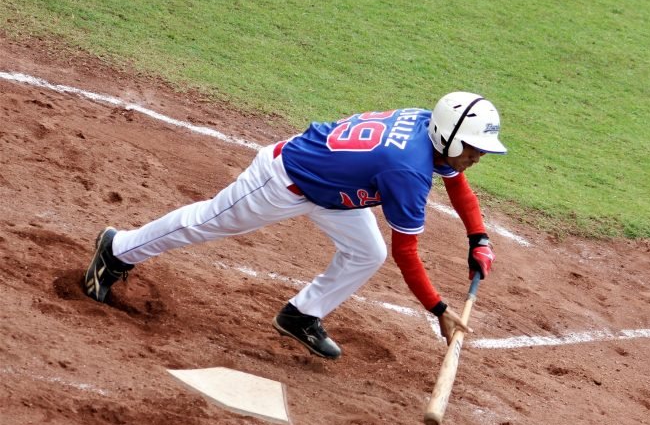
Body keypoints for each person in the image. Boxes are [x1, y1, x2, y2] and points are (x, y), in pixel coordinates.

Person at [83, 91, 506, 360]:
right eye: (474, 147)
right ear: (450, 136)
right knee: (207, 222)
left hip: (333, 189)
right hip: (282, 181)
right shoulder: (408, 170)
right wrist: (439, 310)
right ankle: (118, 249)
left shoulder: (428, 128)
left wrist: (478, 237)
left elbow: (457, 181)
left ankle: (301, 315)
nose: (479, 155)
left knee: (366, 253)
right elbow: (407, 252)